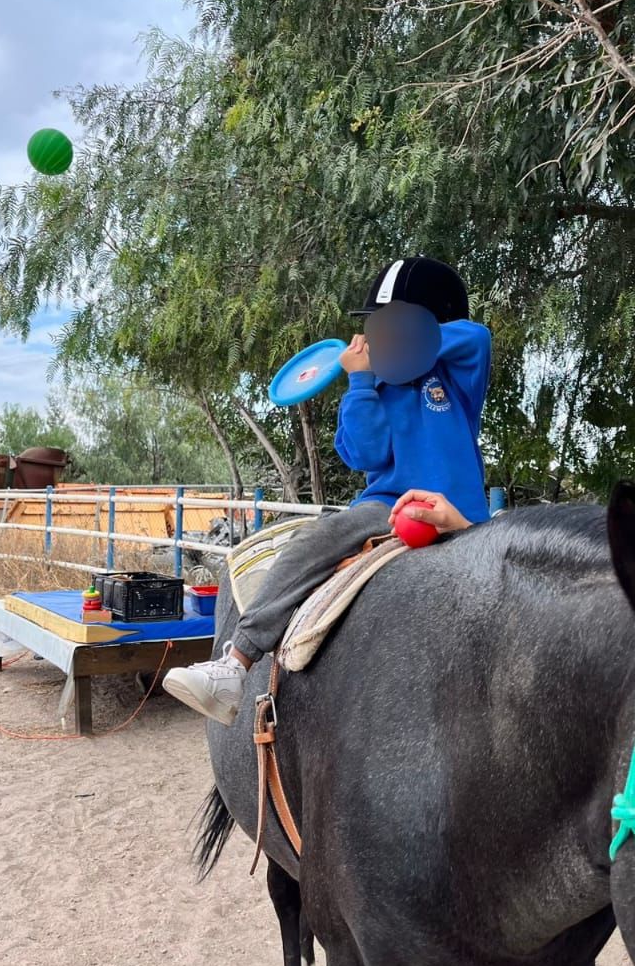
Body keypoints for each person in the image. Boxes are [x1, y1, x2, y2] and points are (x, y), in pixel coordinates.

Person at [163, 256, 491, 725]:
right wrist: (360, 380)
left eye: (395, 326)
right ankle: (235, 665)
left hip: (457, 510)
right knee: (310, 543)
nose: (380, 335)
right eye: (375, 327)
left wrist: (394, 348)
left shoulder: (457, 376)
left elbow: (476, 336)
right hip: (389, 507)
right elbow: (366, 455)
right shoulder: (368, 389)